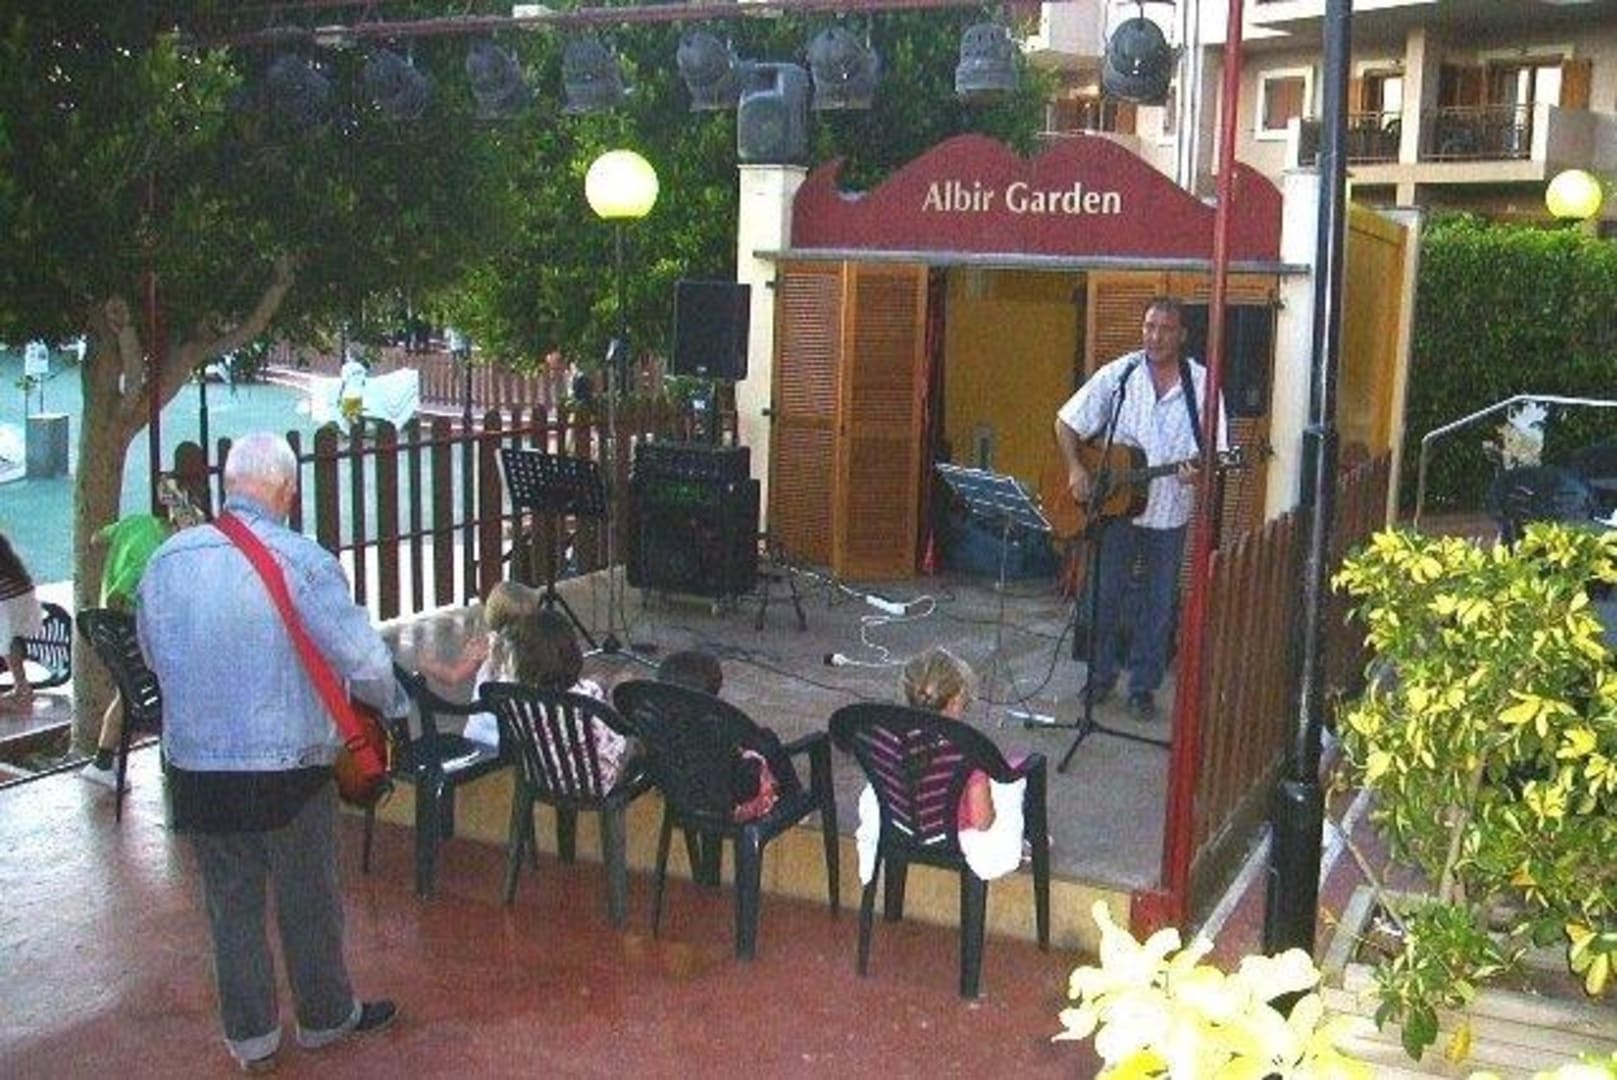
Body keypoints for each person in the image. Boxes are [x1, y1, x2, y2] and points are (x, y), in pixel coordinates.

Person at [136, 433, 406, 1073]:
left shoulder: (167, 561)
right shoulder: (302, 560)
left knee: (229, 905)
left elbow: (152, 653)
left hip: (198, 767)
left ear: (229, 485)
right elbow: (364, 661)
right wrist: (397, 707)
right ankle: (324, 1017)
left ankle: (252, 1040)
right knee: (308, 897)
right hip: (289, 766)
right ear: (288, 490)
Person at [1053, 295, 1226, 720]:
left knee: (1159, 605)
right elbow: (1066, 421)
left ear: (1182, 335)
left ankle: (1143, 688)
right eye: (1149, 327)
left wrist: (1198, 472)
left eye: (1165, 329)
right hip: (1114, 512)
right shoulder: (1120, 374)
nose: (1155, 336)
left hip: (1169, 512)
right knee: (1103, 597)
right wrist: (1076, 468)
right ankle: (1100, 677)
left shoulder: (1202, 385)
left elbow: (1217, 454)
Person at [854, 647, 1025, 882]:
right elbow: (982, 821)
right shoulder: (968, 751)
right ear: (955, 702)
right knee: (1015, 778)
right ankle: (1026, 840)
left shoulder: (886, 740)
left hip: (900, 824)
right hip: (953, 837)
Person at [81, 479, 207, 788]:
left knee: (126, 692)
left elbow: (97, 538)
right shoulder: (157, 555)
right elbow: (123, 594)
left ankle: (102, 761)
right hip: (131, 629)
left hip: (109, 632)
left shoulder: (137, 523)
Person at [471, 609, 634, 789]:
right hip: (594, 784)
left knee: (600, 680)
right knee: (625, 683)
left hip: (540, 775)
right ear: (572, 653)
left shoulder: (508, 693)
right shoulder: (587, 697)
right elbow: (613, 744)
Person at [655, 648, 777, 821]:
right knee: (766, 739)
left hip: (679, 797)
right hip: (727, 808)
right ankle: (792, 792)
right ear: (715, 689)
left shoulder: (656, 721)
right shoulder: (723, 723)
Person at [0, 532, 43, 715]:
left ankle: (19, 694)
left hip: (9, 612)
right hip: (20, 611)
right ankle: (21, 689)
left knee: (7, 640)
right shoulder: (10, 564)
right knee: (9, 641)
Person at [338, 348, 368, 432]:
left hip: (349, 395)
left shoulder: (346, 367)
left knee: (345, 414)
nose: (346, 357)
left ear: (350, 356)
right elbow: (363, 383)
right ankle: (356, 430)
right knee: (356, 415)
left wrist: (339, 395)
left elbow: (344, 383)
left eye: (347, 355)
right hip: (359, 395)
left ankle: (350, 431)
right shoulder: (362, 368)